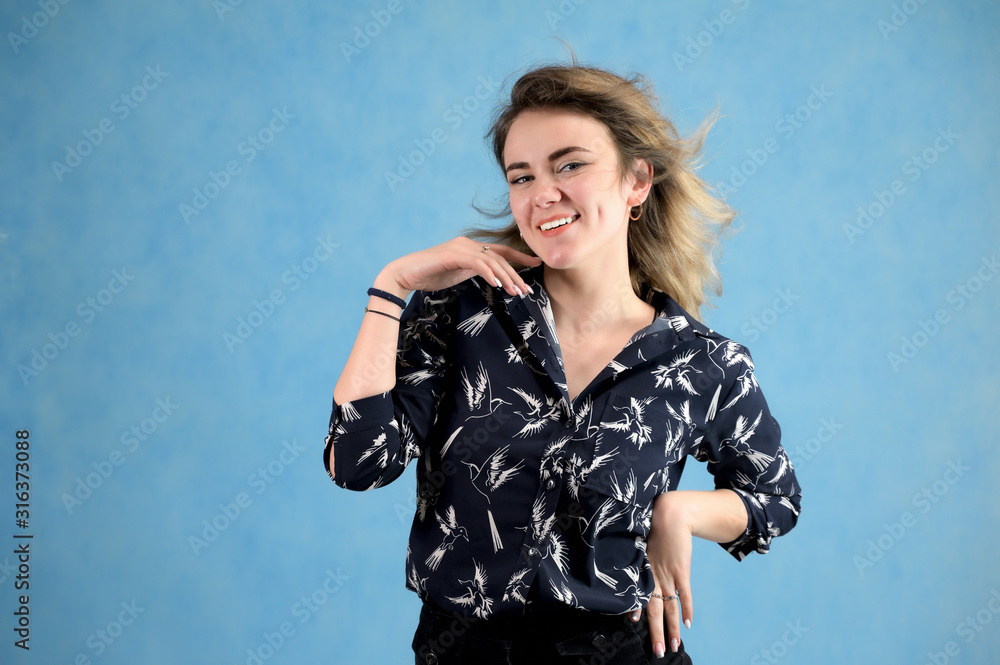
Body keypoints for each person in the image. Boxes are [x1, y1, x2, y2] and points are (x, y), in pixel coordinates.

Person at [325, 63, 801, 664]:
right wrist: (392, 287)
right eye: (521, 176)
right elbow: (358, 463)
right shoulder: (458, 314)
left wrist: (680, 510)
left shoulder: (702, 362)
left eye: (569, 164)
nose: (542, 193)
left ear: (637, 181)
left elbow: (775, 499)